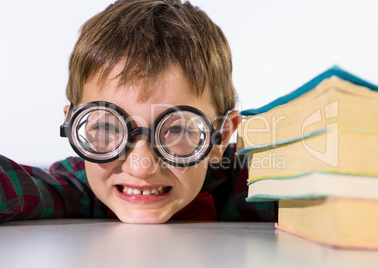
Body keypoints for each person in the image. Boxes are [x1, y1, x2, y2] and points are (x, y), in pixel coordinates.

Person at [0, 0, 277, 224]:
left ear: (221, 135)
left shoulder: (257, 179)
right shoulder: (80, 184)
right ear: (75, 127)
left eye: (177, 130)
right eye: (108, 128)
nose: (140, 167)